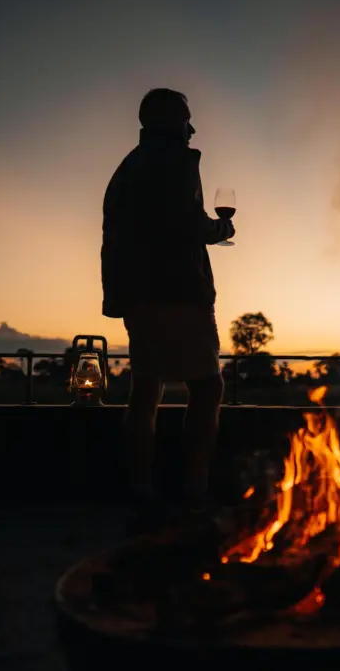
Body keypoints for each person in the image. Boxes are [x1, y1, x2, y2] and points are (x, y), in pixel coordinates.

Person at [101, 88, 235, 533]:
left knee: (146, 390)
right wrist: (219, 229)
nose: (192, 128)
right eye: (187, 119)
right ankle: (193, 491)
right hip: (178, 292)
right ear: (170, 121)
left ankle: (141, 493)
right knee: (208, 387)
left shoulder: (129, 167)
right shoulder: (173, 162)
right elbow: (187, 224)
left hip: (139, 295)